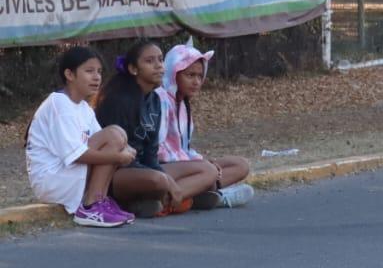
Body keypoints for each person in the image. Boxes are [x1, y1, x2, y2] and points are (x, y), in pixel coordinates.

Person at [96, 39, 221, 217]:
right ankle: (182, 198)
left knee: (209, 171)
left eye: (160, 60)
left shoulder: (154, 100)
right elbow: (120, 156)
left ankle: (159, 203)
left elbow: (151, 153)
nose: (158, 66)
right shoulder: (118, 100)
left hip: (145, 169)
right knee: (158, 180)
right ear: (133, 69)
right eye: (149, 61)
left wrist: (163, 176)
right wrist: (166, 179)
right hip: (118, 173)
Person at [25, 46, 137, 227]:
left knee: (118, 134)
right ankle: (91, 206)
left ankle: (99, 200)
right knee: (115, 136)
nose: (97, 77)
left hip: (67, 174)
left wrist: (124, 149)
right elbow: (76, 156)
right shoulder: (59, 103)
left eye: (99, 72)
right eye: (89, 71)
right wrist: (118, 156)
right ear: (69, 74)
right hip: (51, 179)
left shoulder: (84, 108)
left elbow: (109, 142)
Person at [158, 41, 255, 207]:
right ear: (174, 73)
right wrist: (197, 165)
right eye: (190, 75)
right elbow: (158, 148)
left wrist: (200, 160)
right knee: (208, 173)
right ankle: (173, 199)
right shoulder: (160, 99)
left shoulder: (183, 104)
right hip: (163, 167)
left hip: (185, 166)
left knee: (241, 165)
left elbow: (184, 148)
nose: (196, 82)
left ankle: (201, 194)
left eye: (199, 76)